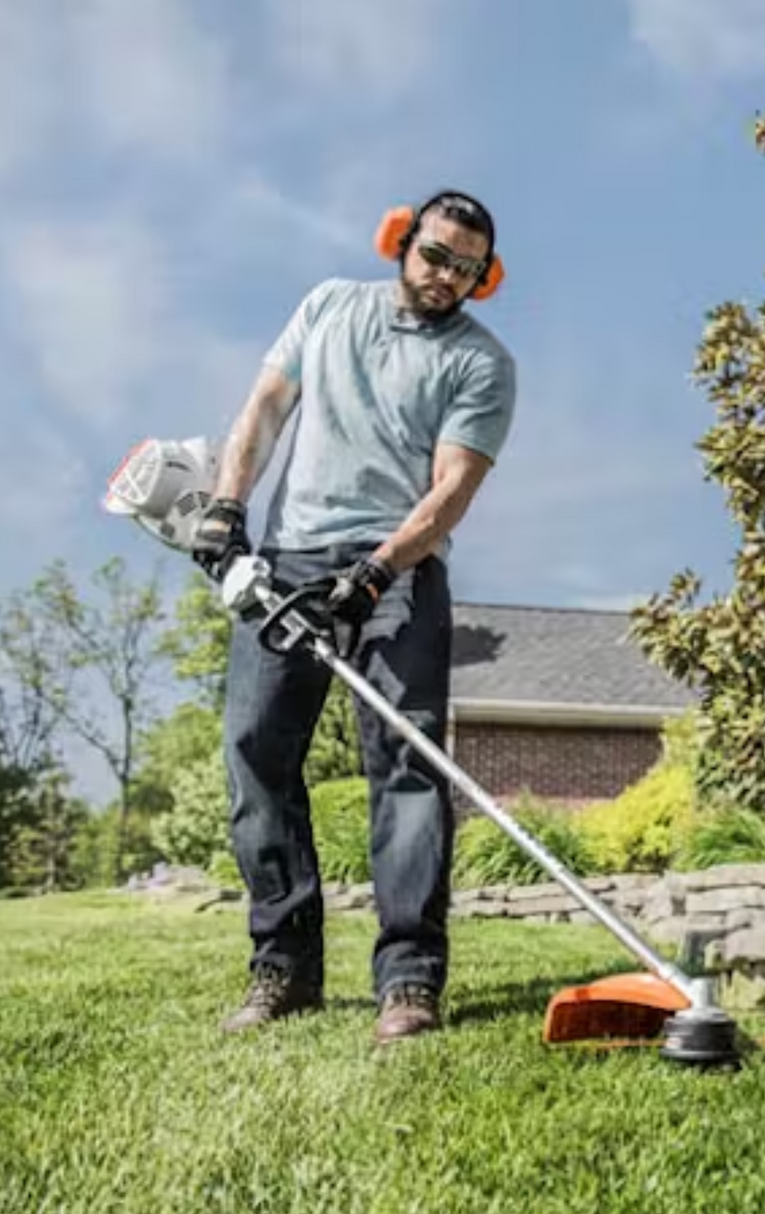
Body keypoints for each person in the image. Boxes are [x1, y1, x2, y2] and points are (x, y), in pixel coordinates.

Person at [190, 190, 516, 1046]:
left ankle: (408, 980)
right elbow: (264, 409)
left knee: (406, 758)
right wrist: (228, 508)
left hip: (401, 567)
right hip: (291, 561)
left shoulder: (482, 363)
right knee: (256, 752)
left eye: (467, 268)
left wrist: (379, 570)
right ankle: (284, 968)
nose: (447, 276)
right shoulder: (329, 305)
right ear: (400, 241)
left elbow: (451, 490)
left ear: (485, 280)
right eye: (437, 255)